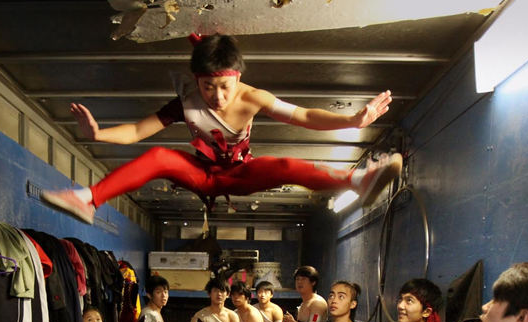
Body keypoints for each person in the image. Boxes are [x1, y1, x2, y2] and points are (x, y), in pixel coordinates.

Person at [40, 33, 402, 225]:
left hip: (239, 174)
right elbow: (137, 130)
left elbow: (305, 116)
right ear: (197, 80)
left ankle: (356, 181)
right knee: (159, 156)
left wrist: (351, 121)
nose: (216, 96)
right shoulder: (186, 101)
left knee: (285, 166)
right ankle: (89, 199)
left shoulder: (254, 97)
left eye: (224, 87)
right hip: (201, 173)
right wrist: (98, 134)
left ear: (238, 78)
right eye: (207, 86)